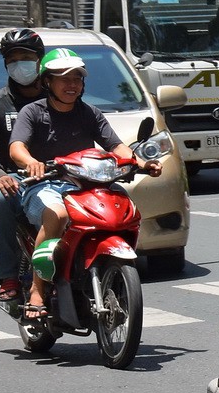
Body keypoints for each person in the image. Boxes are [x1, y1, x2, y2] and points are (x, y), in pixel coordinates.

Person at [9, 48, 162, 320]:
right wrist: (31, 161)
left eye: (77, 79)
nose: (72, 85)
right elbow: (17, 147)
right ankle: (37, 289)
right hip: (44, 184)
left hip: (87, 185)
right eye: (64, 78)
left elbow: (115, 146)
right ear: (47, 82)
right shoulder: (32, 112)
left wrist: (140, 162)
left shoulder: (89, 112)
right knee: (58, 214)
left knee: (123, 209)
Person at [0, 28, 47, 303]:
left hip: (62, 174)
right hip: (17, 180)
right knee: (0, 202)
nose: (19, 64)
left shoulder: (61, 96)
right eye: (13, 59)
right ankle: (8, 275)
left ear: (40, 59)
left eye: (25, 57)